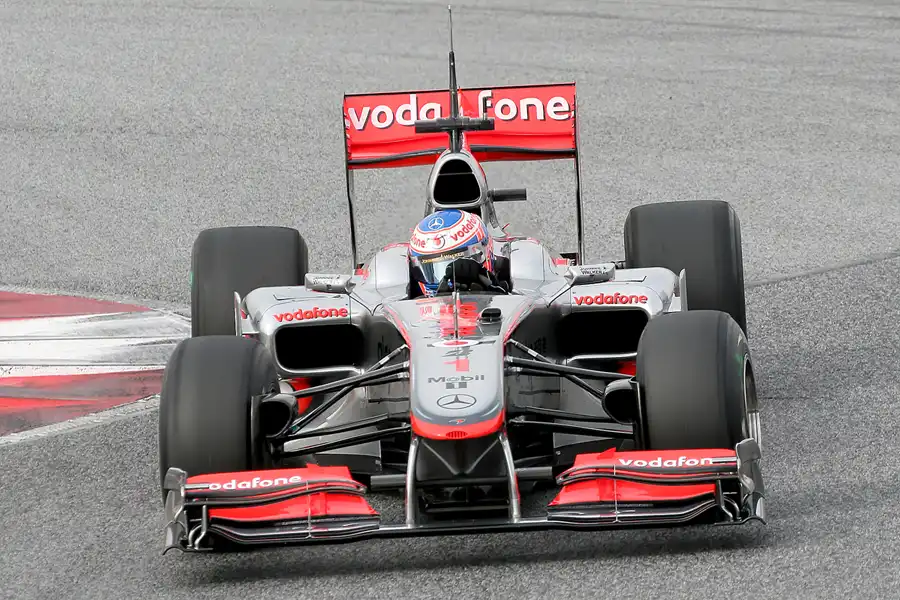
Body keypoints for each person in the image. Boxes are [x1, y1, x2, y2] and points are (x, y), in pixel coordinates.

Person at [408, 209, 509, 297]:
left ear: (486, 251)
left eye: (462, 266)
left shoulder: (508, 269)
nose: (451, 282)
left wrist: (494, 288)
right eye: (434, 267)